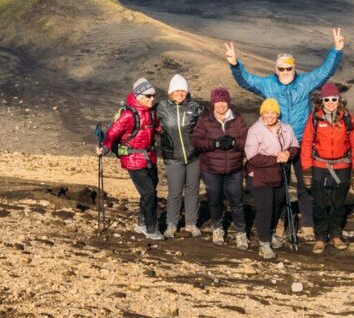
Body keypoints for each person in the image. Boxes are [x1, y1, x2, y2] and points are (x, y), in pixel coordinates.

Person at [224, 27, 347, 238]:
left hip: (301, 141)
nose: (285, 72)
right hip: (276, 144)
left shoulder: (305, 82)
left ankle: (307, 222)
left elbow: (325, 71)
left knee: (304, 182)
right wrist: (235, 64)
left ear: (294, 67)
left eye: (288, 68)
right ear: (276, 69)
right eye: (281, 69)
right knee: (279, 184)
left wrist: (336, 50)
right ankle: (281, 220)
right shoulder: (268, 84)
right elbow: (246, 80)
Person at [299, 82, 354, 254]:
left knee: (338, 203)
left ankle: (335, 235)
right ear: (321, 101)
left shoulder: (348, 118)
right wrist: (306, 170)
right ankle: (320, 236)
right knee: (319, 203)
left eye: (333, 99)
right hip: (320, 165)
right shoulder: (315, 118)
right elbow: (306, 144)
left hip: (343, 165)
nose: (330, 102)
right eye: (326, 99)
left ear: (339, 99)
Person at [98, 77, 164, 240]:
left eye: (153, 95)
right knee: (149, 192)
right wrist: (105, 147)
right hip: (133, 159)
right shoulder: (128, 114)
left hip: (150, 157)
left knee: (148, 192)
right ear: (140, 97)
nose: (152, 98)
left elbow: (156, 129)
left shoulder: (151, 112)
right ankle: (151, 229)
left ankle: (142, 224)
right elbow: (112, 132)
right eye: (148, 96)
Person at [191, 87, 250, 247]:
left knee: (236, 201)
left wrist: (234, 142)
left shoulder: (237, 119)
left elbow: (248, 141)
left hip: (234, 169)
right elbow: (196, 140)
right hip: (211, 169)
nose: (221, 105)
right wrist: (213, 143)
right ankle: (217, 228)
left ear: (228, 102)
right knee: (214, 200)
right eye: (217, 101)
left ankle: (241, 232)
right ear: (213, 103)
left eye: (224, 101)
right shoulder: (205, 119)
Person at [243, 97, 299, 259]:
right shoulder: (255, 130)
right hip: (259, 176)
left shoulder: (287, 128)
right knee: (266, 206)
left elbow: (295, 146)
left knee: (277, 205)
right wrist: (276, 158)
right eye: (266, 112)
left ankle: (271, 232)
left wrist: (288, 153)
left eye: (273, 112)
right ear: (261, 113)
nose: (269, 116)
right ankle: (264, 243)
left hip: (279, 174)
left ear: (277, 113)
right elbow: (252, 157)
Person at [155, 74, 205, 238]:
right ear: (171, 91)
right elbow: (146, 120)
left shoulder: (195, 107)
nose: (180, 93)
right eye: (177, 90)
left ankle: (191, 223)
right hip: (172, 157)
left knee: (192, 190)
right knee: (175, 192)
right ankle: (172, 223)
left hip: (193, 157)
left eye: (183, 90)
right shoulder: (161, 107)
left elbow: (208, 125)